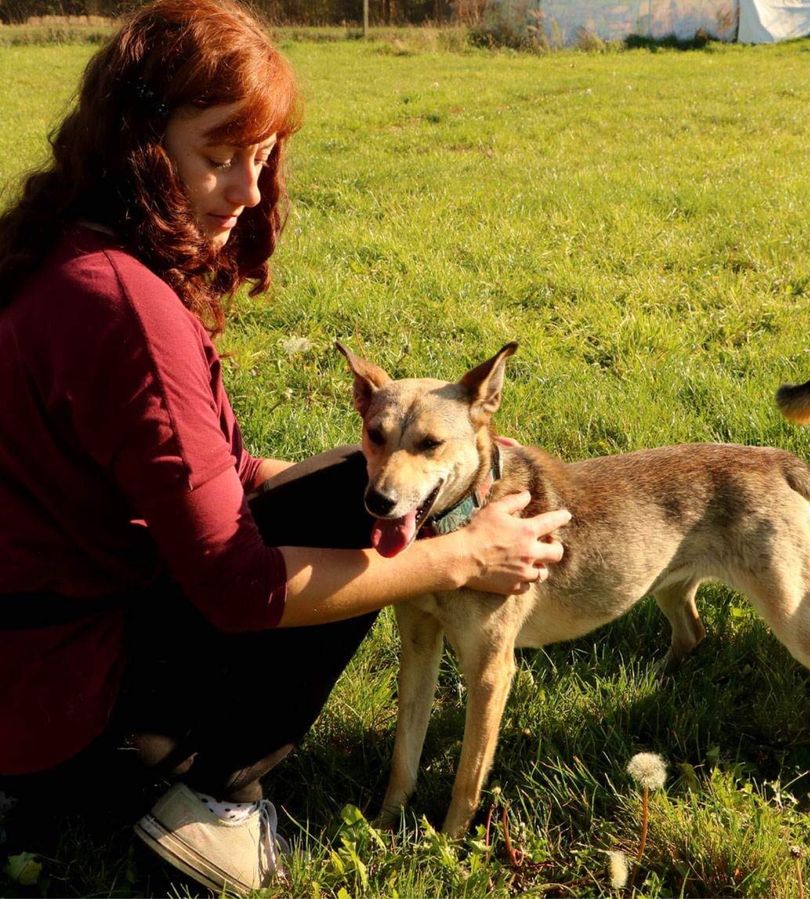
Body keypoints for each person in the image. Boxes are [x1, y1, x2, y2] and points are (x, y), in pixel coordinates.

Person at [0, 0, 569, 893]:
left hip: (33, 656)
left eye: (262, 158)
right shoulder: (127, 314)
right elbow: (238, 587)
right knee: (354, 506)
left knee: (360, 487)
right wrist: (460, 553)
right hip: (60, 704)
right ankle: (206, 796)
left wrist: (369, 480)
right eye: (219, 157)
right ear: (138, 151)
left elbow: (220, 475)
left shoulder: (79, 256)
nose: (251, 191)